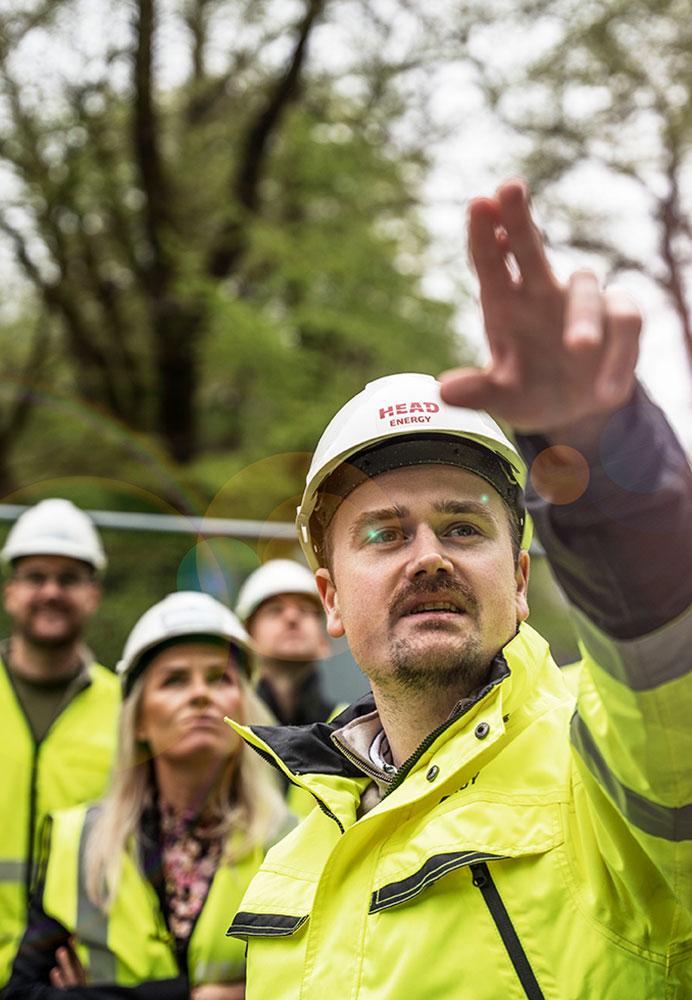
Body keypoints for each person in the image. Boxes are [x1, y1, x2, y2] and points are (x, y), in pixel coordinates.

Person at [226, 180, 692, 997]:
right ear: (330, 599)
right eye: (384, 534)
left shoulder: (608, 773)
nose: (429, 558)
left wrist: (600, 454)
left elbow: (668, 673)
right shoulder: (291, 864)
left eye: (465, 528)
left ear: (520, 580)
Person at [5, 590, 289, 1000]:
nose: (200, 694)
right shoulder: (78, 841)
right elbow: (21, 994)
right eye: (175, 680)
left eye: (219, 678)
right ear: (137, 721)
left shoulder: (292, 841)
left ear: (245, 707)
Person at [0, 498, 119, 987]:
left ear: (92, 595)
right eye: (36, 577)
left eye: (68, 578)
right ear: (10, 592)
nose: (51, 591)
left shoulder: (128, 711)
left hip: (66, 978)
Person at [235, 559, 335, 726]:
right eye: (275, 610)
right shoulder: (229, 727)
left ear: (324, 640)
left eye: (304, 609)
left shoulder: (352, 729)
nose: (292, 617)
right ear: (247, 637)